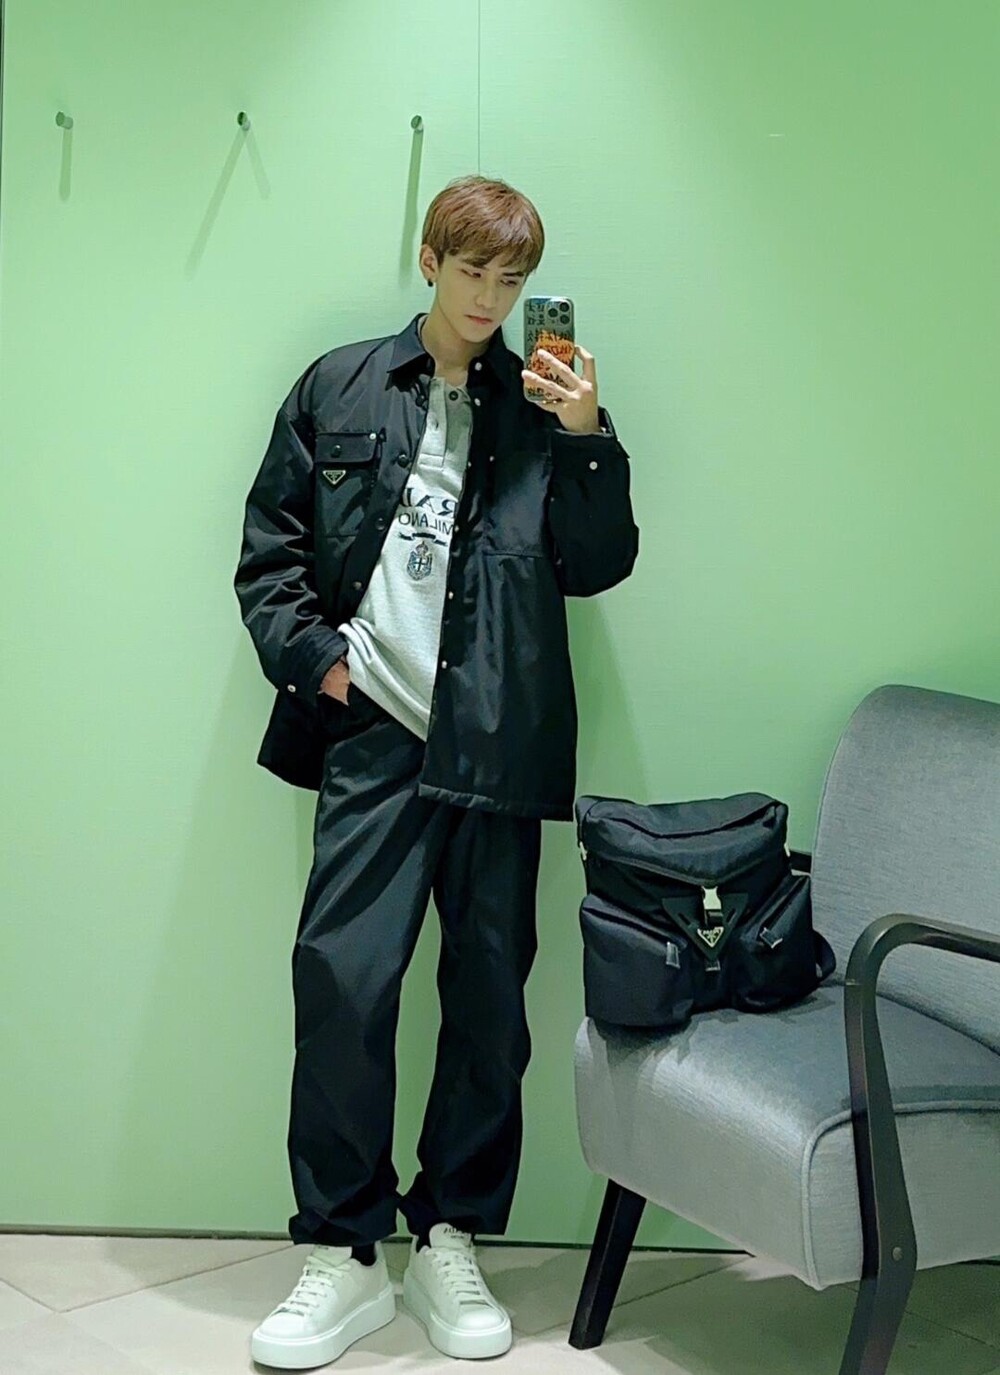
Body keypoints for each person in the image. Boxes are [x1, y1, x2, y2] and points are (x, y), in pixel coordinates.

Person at [234, 173, 639, 1368]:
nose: (489, 298)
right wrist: (326, 669)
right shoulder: (339, 385)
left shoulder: (544, 406)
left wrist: (585, 436)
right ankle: (344, 1251)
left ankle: (449, 1236)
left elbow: (597, 563)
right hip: (373, 738)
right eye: (472, 271)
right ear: (428, 260)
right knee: (342, 984)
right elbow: (269, 556)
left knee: (486, 1003)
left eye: (511, 280)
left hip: (498, 738)